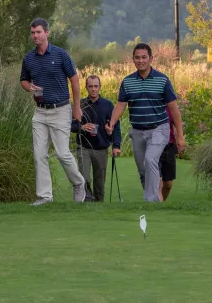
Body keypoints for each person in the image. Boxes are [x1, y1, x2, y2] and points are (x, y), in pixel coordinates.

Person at [105, 43, 185, 203]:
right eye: (137, 57)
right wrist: (112, 122)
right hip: (137, 131)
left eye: (144, 57)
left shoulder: (162, 80)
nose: (140, 61)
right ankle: (154, 198)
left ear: (151, 59)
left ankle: (152, 201)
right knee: (143, 170)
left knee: (150, 160)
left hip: (159, 129)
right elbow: (121, 105)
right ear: (133, 59)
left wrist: (180, 136)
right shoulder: (127, 82)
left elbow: (174, 108)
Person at [19, 18, 85, 205]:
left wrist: (77, 107)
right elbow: (23, 80)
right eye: (32, 33)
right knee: (39, 155)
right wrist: (28, 87)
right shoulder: (29, 58)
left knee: (63, 153)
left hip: (61, 110)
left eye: (38, 32)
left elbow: (74, 80)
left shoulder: (61, 54)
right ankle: (45, 197)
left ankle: (79, 183)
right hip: (39, 112)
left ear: (47, 33)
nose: (35, 36)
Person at [71, 75, 122, 202]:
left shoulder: (108, 105)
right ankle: (87, 200)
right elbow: (69, 125)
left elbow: (115, 126)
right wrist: (81, 127)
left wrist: (116, 145)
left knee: (100, 181)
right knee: (84, 177)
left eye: (96, 86)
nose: (93, 89)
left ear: (100, 87)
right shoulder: (80, 104)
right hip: (84, 147)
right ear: (86, 88)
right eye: (90, 86)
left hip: (101, 148)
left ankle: (99, 204)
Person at [158, 104, 178, 201]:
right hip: (154, 145)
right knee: (158, 182)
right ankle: (158, 207)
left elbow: (176, 123)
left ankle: (160, 204)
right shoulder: (151, 105)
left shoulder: (171, 106)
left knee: (168, 184)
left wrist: (179, 139)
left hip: (169, 146)